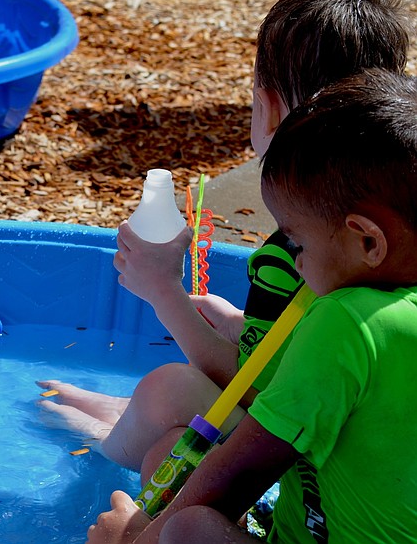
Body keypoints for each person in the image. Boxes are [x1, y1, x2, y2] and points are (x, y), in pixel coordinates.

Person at [36, 0, 411, 478]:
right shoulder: (383, 231)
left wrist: (162, 292)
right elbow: (295, 344)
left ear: (269, 107)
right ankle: (133, 417)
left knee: (168, 392)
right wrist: (238, 322)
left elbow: (258, 389)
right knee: (172, 413)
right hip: (350, 433)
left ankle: (108, 443)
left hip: (301, 458)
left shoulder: (300, 252)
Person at [85, 68, 417, 543]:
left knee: (187, 529)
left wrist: (130, 537)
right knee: (168, 457)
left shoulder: (347, 321)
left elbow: (233, 482)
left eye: (297, 243)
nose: (294, 264)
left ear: (368, 241)